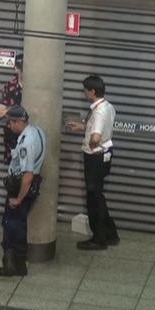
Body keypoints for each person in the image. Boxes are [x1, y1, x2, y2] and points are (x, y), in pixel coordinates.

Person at [65, 75, 119, 250]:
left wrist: (92, 142)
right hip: (103, 156)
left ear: (92, 91)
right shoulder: (108, 107)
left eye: (85, 90)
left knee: (93, 199)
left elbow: (96, 136)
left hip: (95, 157)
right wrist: (81, 127)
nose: (84, 93)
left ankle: (99, 239)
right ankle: (110, 234)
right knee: (98, 196)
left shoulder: (99, 111)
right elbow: (98, 128)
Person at [0, 106, 45, 277]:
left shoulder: (26, 142)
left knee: (14, 225)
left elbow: (27, 175)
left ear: (19, 122)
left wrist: (18, 199)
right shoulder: (37, 131)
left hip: (21, 188)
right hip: (26, 186)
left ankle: (15, 265)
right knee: (13, 223)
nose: (8, 126)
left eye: (10, 122)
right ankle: (16, 264)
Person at [0, 53, 24, 164]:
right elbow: (0, 113)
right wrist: (18, 110)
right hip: (13, 135)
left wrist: (11, 110)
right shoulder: (10, 86)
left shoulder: (37, 87)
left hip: (29, 134)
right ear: (16, 68)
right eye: (21, 68)